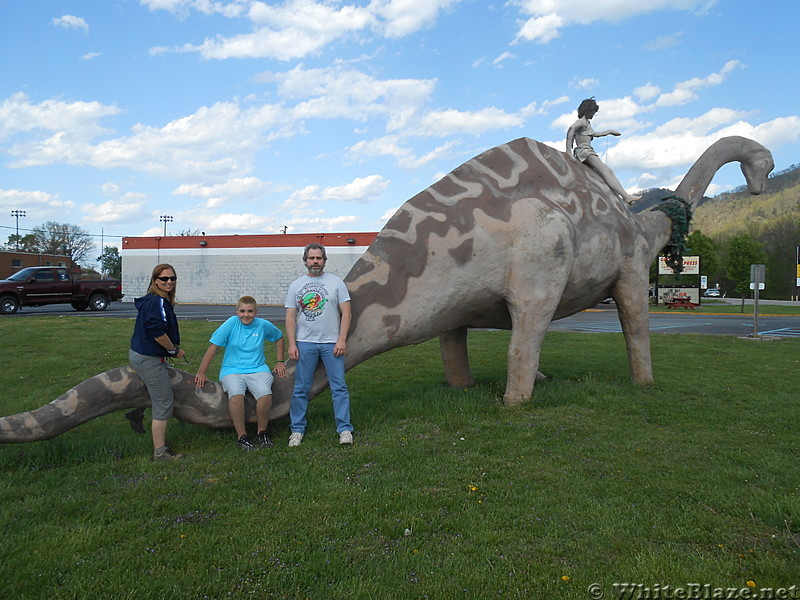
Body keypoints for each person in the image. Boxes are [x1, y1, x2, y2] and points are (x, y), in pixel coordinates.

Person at [194, 296, 287, 450]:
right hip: (232, 370)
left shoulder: (262, 325)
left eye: (250, 311)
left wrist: (279, 361)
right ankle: (242, 436)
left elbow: (279, 337)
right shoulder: (231, 323)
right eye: (242, 311)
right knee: (236, 395)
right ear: (237, 311)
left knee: (265, 394)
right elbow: (213, 347)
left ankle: (262, 432)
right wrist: (201, 372)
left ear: (256, 312)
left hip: (257, 369)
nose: (246, 315)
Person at [285, 243, 354, 446]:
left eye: (319, 258)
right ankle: (297, 429)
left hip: (331, 343)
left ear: (324, 260)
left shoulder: (336, 283)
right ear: (305, 260)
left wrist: (341, 339)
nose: (315, 261)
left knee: (339, 387)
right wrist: (292, 343)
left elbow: (347, 313)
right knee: (300, 388)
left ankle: (344, 429)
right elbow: (290, 316)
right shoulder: (296, 285)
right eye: (311, 258)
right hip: (305, 343)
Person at [128, 264, 187, 461]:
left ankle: (136, 413)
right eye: (164, 279)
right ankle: (160, 452)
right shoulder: (157, 303)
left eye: (172, 278)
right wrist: (173, 350)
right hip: (148, 359)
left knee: (162, 387)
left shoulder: (157, 301)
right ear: (155, 281)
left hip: (145, 355)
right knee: (164, 401)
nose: (169, 281)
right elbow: (156, 331)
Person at [565, 97, 641, 206]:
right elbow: (571, 129)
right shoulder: (581, 122)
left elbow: (594, 134)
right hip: (584, 151)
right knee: (605, 170)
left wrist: (609, 132)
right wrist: (568, 150)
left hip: (586, 151)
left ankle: (621, 198)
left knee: (603, 174)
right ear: (587, 110)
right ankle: (626, 196)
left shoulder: (586, 123)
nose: (592, 115)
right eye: (592, 112)